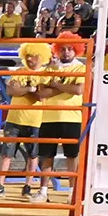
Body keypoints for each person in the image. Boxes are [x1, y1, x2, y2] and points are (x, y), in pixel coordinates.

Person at [32, 35, 87, 199]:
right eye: (62, 48)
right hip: (48, 117)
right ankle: (43, 191)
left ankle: (72, 192)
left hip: (73, 117)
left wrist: (54, 85)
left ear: (76, 49)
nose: (66, 52)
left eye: (70, 48)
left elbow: (78, 90)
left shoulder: (80, 68)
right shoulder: (49, 68)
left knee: (72, 155)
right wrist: (66, 87)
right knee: (47, 156)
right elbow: (41, 93)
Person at [0, 42, 49, 199]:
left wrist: (24, 91)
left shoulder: (46, 74)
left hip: (36, 120)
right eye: (28, 56)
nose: (30, 59)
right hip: (15, 119)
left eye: (33, 56)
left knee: (33, 155)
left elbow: (41, 94)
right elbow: (11, 90)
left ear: (41, 56)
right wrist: (30, 89)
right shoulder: (19, 71)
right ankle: (0, 184)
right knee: (7, 153)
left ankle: (28, 185)